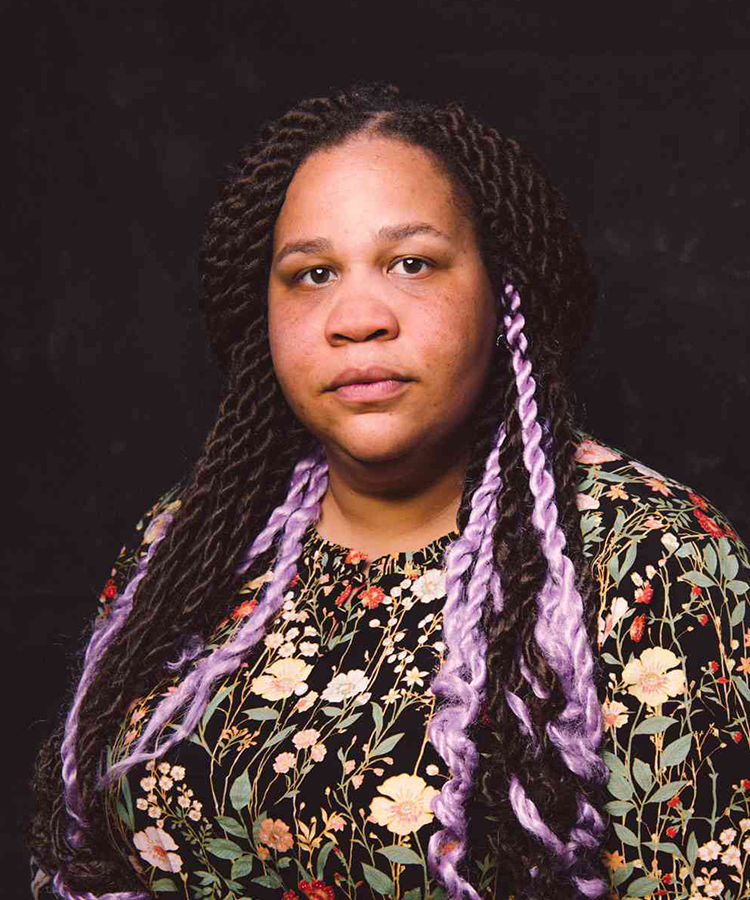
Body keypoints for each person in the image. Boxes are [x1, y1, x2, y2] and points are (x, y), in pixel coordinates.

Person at [27, 82, 750, 900]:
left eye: (412, 264)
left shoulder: (655, 559)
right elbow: (80, 848)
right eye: (312, 274)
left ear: (502, 293)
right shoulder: (186, 540)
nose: (357, 317)